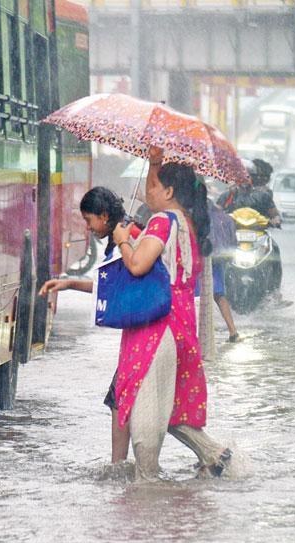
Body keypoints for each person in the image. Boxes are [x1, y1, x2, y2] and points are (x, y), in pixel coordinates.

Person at [111, 151, 231, 481]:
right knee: (173, 408)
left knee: (146, 413)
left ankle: (148, 491)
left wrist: (123, 241)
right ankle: (217, 456)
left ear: (168, 192)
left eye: (154, 184)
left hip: (157, 326)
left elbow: (138, 265)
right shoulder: (188, 224)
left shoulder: (163, 220)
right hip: (182, 324)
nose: (147, 191)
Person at [40, 186, 140, 464]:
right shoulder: (121, 237)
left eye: (89, 220)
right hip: (137, 335)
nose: (87, 227)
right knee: (120, 400)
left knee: (121, 400)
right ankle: (122, 466)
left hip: (146, 335)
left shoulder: (127, 238)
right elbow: (110, 288)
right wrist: (70, 283)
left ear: (105, 215)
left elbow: (127, 282)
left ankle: (123, 466)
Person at [203, 199, 241, 342]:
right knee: (219, 294)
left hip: (201, 257)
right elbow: (233, 243)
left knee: (195, 296)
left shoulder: (194, 214)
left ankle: (197, 334)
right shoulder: (225, 218)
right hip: (218, 259)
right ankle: (233, 332)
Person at [220, 158, 281, 227]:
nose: (244, 179)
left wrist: (276, 220)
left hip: (258, 230)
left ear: (253, 178)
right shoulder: (227, 195)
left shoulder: (263, 196)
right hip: (232, 232)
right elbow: (216, 212)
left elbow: (274, 214)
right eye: (240, 176)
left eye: (247, 176)